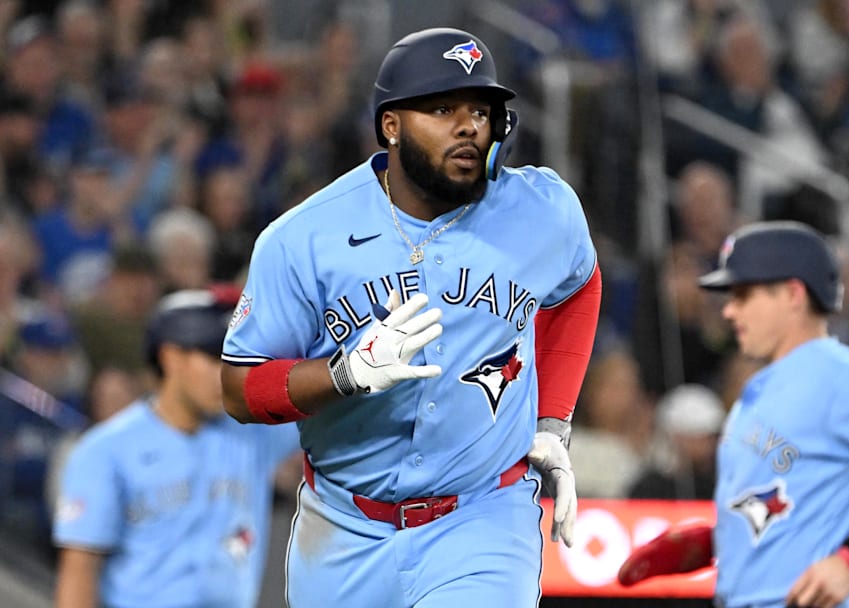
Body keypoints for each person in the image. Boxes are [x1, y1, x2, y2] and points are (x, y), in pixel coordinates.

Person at [219, 27, 601, 607]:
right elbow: (239, 388)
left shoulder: (542, 210)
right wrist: (343, 375)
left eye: (482, 109)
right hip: (344, 527)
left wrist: (552, 421)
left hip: (482, 516)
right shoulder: (303, 237)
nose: (469, 125)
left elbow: (579, 284)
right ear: (391, 125)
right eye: (443, 108)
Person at [618, 221, 849, 608]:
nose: (729, 310)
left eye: (743, 295)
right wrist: (718, 540)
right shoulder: (756, 390)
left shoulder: (846, 375)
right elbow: (793, 507)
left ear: (793, 294)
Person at [52, 286, 298, 608]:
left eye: (234, 359)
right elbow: (79, 573)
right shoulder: (104, 450)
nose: (226, 373)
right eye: (213, 358)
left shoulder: (253, 434)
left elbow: (330, 396)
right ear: (171, 357)